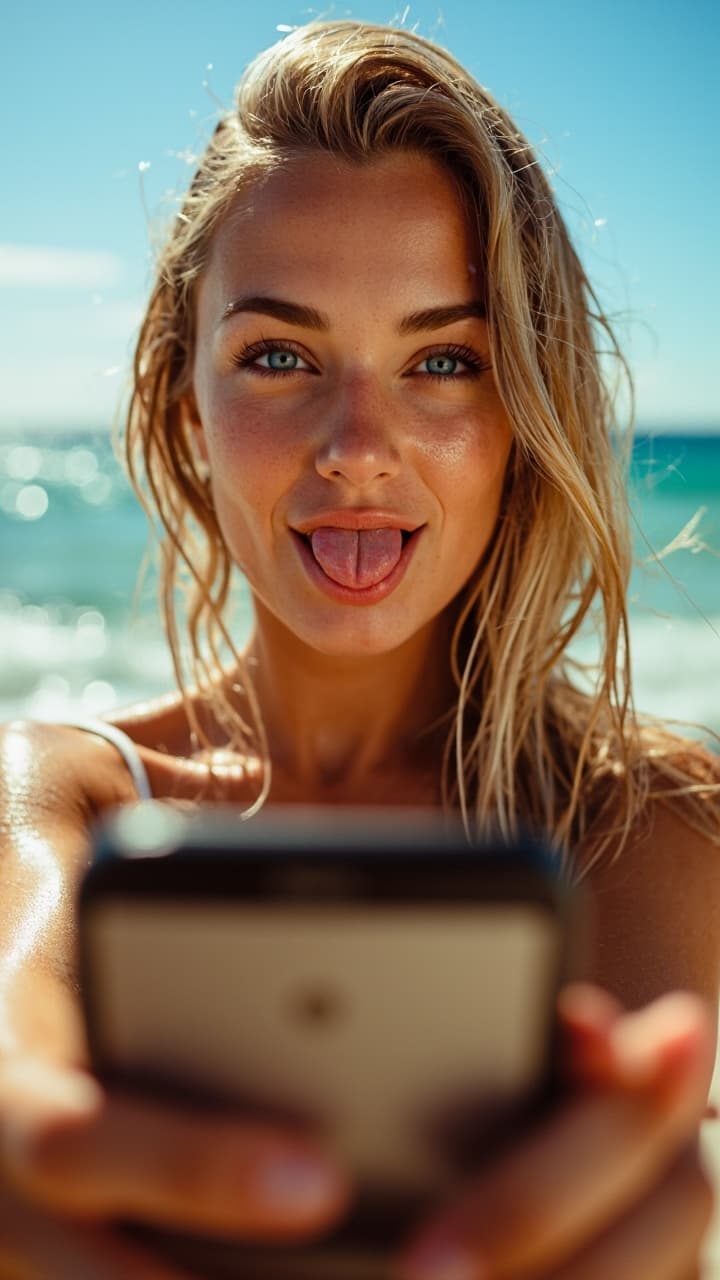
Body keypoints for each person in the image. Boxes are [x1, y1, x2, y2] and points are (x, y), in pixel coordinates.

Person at [1, 18, 719, 1278]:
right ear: (186, 401)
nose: (357, 446)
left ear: (523, 410)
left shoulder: (670, 833)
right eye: (279, 354)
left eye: (443, 359)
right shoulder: (63, 801)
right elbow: (19, 1031)